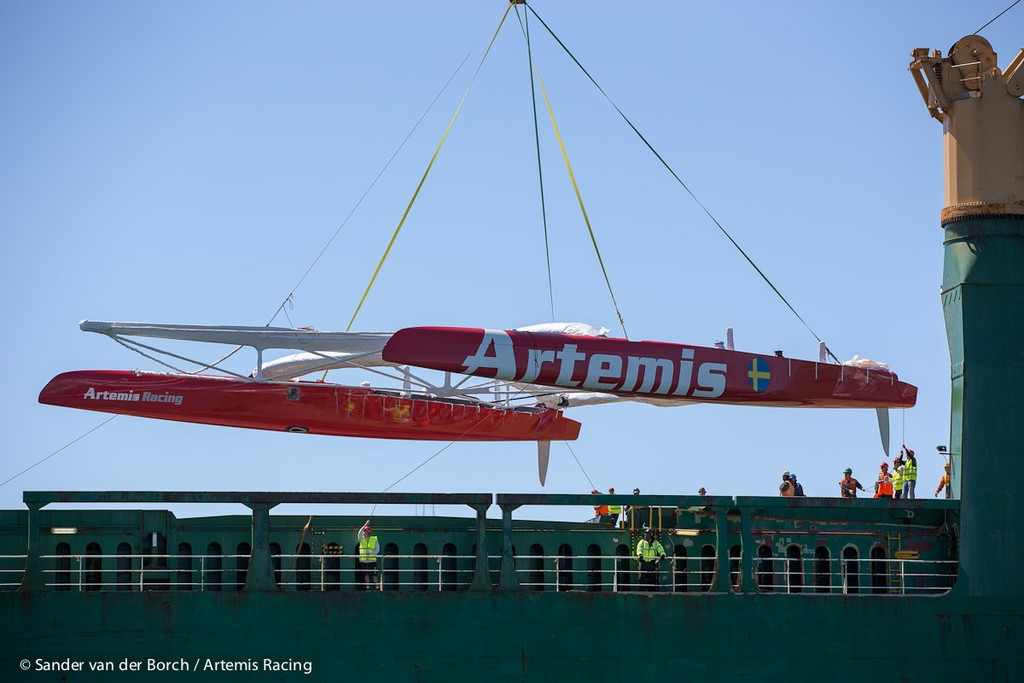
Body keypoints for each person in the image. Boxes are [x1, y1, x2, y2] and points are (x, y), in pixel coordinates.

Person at [356, 523, 380, 590]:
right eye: (364, 531)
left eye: (365, 531)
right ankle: (367, 587)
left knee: (374, 574)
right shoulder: (361, 539)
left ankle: (377, 587)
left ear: (368, 532)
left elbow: (377, 549)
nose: (363, 532)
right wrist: (365, 524)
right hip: (364, 560)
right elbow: (359, 533)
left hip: (372, 560)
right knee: (366, 574)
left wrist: (371, 554)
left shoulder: (374, 539)